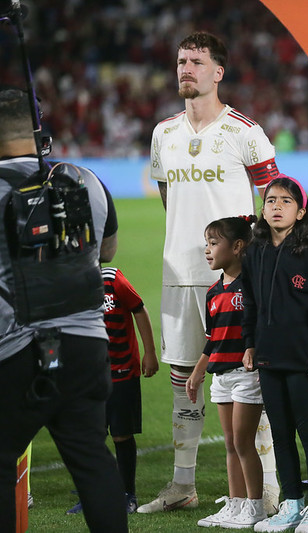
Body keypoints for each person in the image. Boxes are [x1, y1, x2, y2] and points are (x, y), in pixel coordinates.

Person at [141, 30, 280, 514]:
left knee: (246, 376)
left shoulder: (245, 131)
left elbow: (273, 201)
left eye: (197, 62)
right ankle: (183, 485)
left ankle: (265, 490)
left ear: (218, 72)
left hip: (233, 278)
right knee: (184, 376)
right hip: (180, 271)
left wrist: (255, 265)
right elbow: (166, 195)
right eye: (181, 61)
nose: (186, 69)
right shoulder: (164, 133)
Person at [0, 87, 127, 532]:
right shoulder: (85, 178)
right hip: (85, 347)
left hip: (16, 351)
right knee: (93, 462)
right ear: (38, 129)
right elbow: (107, 250)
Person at [238, 176, 308, 533]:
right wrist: (250, 342)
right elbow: (249, 303)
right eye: (270, 201)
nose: (276, 207)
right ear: (262, 209)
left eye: (285, 201)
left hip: (304, 358)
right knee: (280, 433)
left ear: (300, 211)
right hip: (268, 356)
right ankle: (292, 502)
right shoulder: (254, 251)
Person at [185, 216, 268, 529]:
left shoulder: (252, 286)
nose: (207, 250)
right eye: (206, 244)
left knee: (244, 443)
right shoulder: (213, 293)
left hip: (246, 375)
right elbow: (212, 341)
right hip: (221, 375)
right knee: (231, 444)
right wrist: (196, 374)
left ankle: (256, 507)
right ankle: (235, 505)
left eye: (214, 243)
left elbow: (259, 329)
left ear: (237, 247)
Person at [66, 266, 159, 516]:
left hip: (122, 371)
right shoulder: (68, 284)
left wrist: (149, 352)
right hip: (88, 375)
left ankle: (127, 494)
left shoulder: (112, 278)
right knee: (91, 437)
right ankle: (92, 495)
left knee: (121, 435)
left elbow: (138, 309)